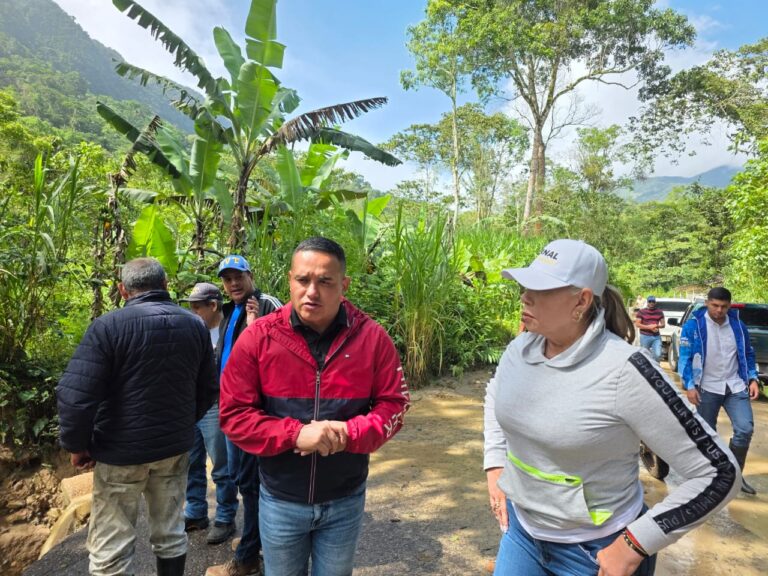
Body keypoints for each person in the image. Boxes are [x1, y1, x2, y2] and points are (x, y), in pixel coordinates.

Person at [484, 239, 740, 576]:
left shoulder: (626, 370)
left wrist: (635, 544)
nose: (525, 296)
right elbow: (495, 396)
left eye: (541, 289)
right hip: (522, 535)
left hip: (595, 551)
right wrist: (495, 465)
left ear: (582, 300)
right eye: (526, 284)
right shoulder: (521, 348)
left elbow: (719, 472)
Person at [219, 237, 410, 576]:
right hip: (280, 500)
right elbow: (234, 416)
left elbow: (394, 404)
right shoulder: (260, 338)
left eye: (325, 281)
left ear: (343, 285)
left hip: (345, 500)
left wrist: (351, 433)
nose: (312, 292)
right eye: (303, 280)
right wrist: (295, 434)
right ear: (290, 280)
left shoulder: (372, 339)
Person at [56, 258, 217, 576]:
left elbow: (75, 397)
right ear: (166, 285)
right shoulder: (194, 325)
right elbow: (208, 388)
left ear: (122, 290)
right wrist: (184, 423)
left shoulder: (109, 326)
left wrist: (78, 446)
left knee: (111, 547)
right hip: (173, 449)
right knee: (171, 533)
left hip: (120, 453)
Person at [207, 255, 282, 576]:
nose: (233, 283)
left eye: (238, 276)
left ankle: (251, 553)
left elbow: (287, 351)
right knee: (242, 477)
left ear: (250, 275)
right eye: (227, 279)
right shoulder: (228, 311)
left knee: (252, 482)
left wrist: (257, 330)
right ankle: (255, 539)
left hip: (257, 412)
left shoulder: (266, 303)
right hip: (231, 407)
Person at [678, 287, 761, 495]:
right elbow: (685, 357)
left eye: (724, 306)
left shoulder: (738, 326)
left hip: (735, 385)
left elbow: (748, 354)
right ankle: (709, 478)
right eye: (715, 305)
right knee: (707, 434)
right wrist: (689, 385)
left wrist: (752, 378)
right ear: (707, 303)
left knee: (745, 429)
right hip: (707, 387)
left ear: (729, 306)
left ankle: (734, 477)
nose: (719, 310)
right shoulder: (694, 326)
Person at [180, 282, 239, 544]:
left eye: (197, 308)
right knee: (191, 462)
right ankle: (195, 512)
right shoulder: (193, 329)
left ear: (213, 305)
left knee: (221, 464)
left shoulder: (231, 327)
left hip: (215, 404)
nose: (193, 313)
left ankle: (225, 517)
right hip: (190, 405)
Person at [634, 296, 665, 362]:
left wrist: (656, 326)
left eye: (653, 302)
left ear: (655, 303)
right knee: (644, 355)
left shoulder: (659, 312)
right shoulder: (641, 312)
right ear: (647, 302)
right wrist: (649, 327)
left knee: (658, 355)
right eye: (650, 301)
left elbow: (663, 325)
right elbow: (637, 324)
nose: (651, 303)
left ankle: (655, 368)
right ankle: (646, 370)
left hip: (656, 336)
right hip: (645, 336)